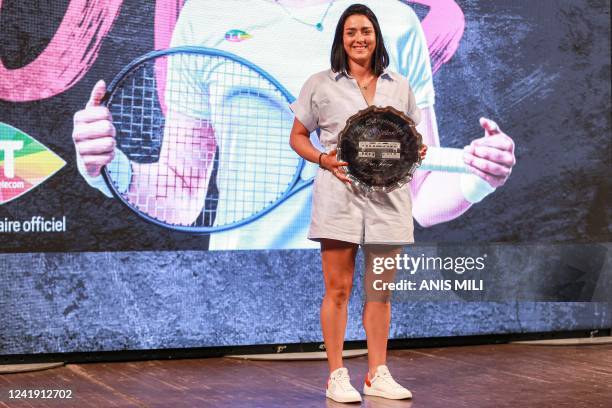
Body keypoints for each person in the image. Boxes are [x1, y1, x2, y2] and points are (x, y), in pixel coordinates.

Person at [72, 0, 517, 251]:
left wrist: (479, 177)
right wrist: (111, 168)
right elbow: (181, 192)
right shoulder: (206, 16)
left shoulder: (395, 23)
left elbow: (419, 195)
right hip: (242, 289)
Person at [288, 4, 427, 402]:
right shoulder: (320, 84)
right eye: (350, 32)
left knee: (380, 292)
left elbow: (409, 138)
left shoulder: (399, 84)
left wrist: (415, 151)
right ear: (341, 39)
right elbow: (298, 136)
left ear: (376, 36)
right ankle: (336, 375)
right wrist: (323, 159)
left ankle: (377, 373)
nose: (359, 38)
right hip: (340, 199)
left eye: (365, 31)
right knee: (338, 290)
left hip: (389, 201)